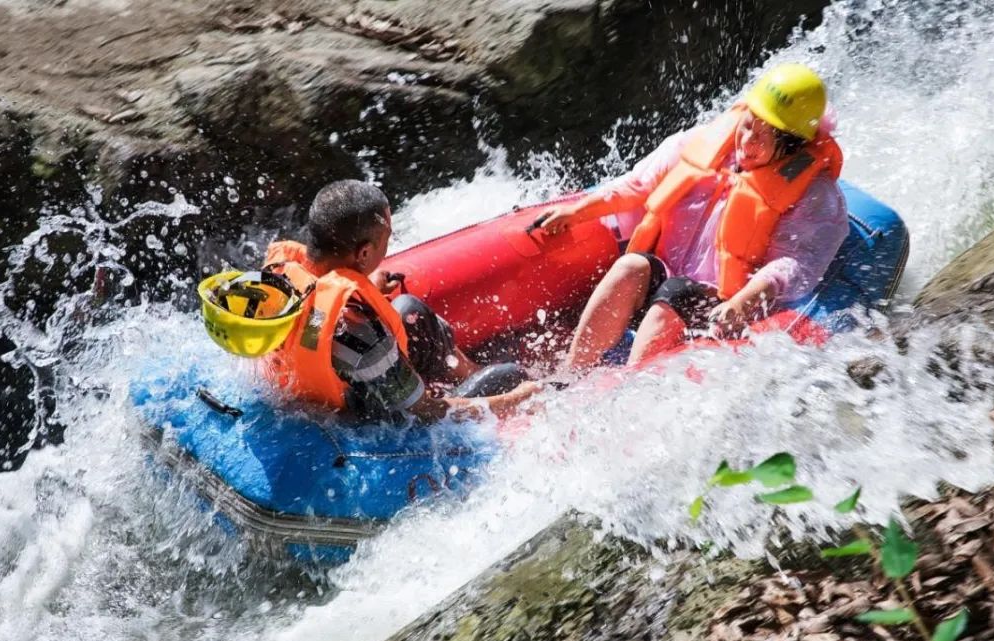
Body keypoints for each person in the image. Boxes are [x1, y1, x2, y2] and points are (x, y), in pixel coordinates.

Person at [538, 64, 849, 369]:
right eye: (748, 124)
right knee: (632, 265)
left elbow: (797, 263)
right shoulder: (703, 144)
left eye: (764, 137)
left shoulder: (813, 194)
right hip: (666, 276)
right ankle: (572, 371)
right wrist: (576, 212)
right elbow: (638, 184)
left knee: (678, 292)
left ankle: (624, 387)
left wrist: (745, 300)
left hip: (721, 304)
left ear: (791, 146)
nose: (747, 141)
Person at [254, 180, 540, 421]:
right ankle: (488, 381)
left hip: (319, 386)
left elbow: (316, 324)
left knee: (409, 311)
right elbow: (426, 413)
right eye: (386, 239)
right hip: (370, 421)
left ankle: (470, 372)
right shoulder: (360, 331)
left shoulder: (280, 276)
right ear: (364, 253)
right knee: (510, 376)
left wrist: (367, 285)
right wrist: (513, 400)